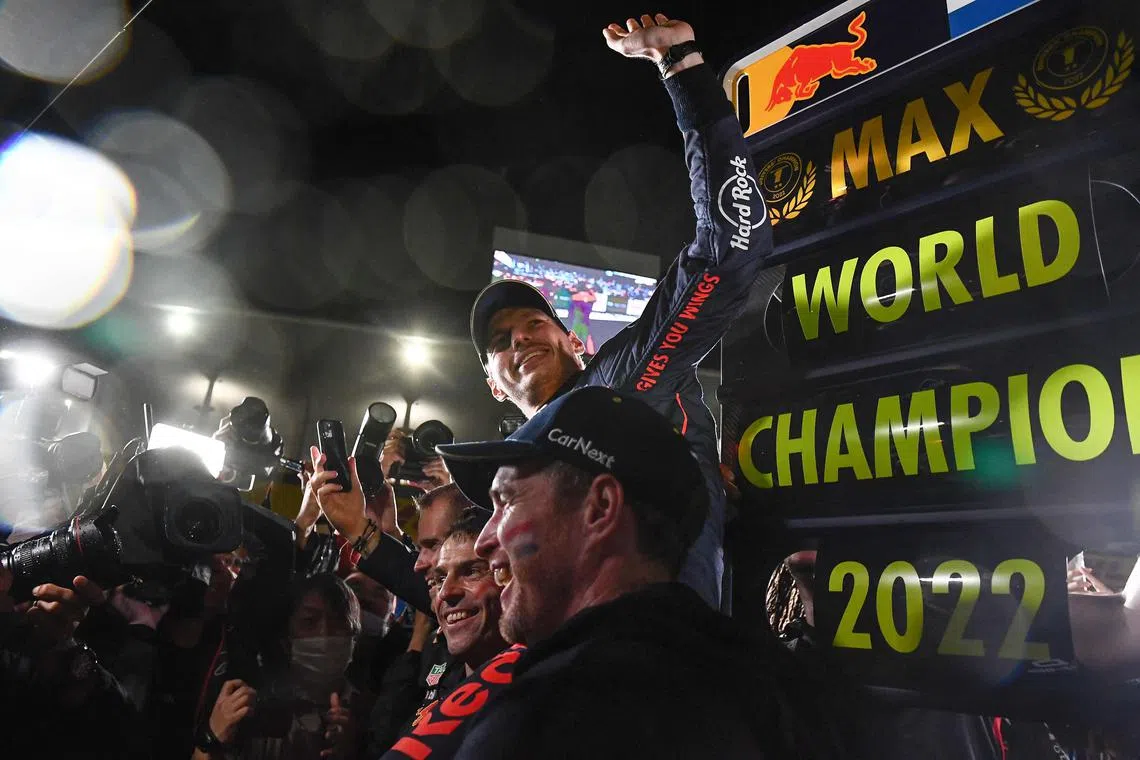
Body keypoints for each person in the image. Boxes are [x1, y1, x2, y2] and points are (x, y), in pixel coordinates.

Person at [465, 12, 771, 610]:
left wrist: (682, 69)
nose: (520, 339)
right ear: (492, 385)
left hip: (663, 674)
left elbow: (728, 249)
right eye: (500, 340)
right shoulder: (506, 474)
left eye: (535, 324)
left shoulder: (618, 385)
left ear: (576, 343)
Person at [434, 385, 840, 758]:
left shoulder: (540, 720)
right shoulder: (776, 685)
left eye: (505, 502)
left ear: (600, 508)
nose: (486, 541)